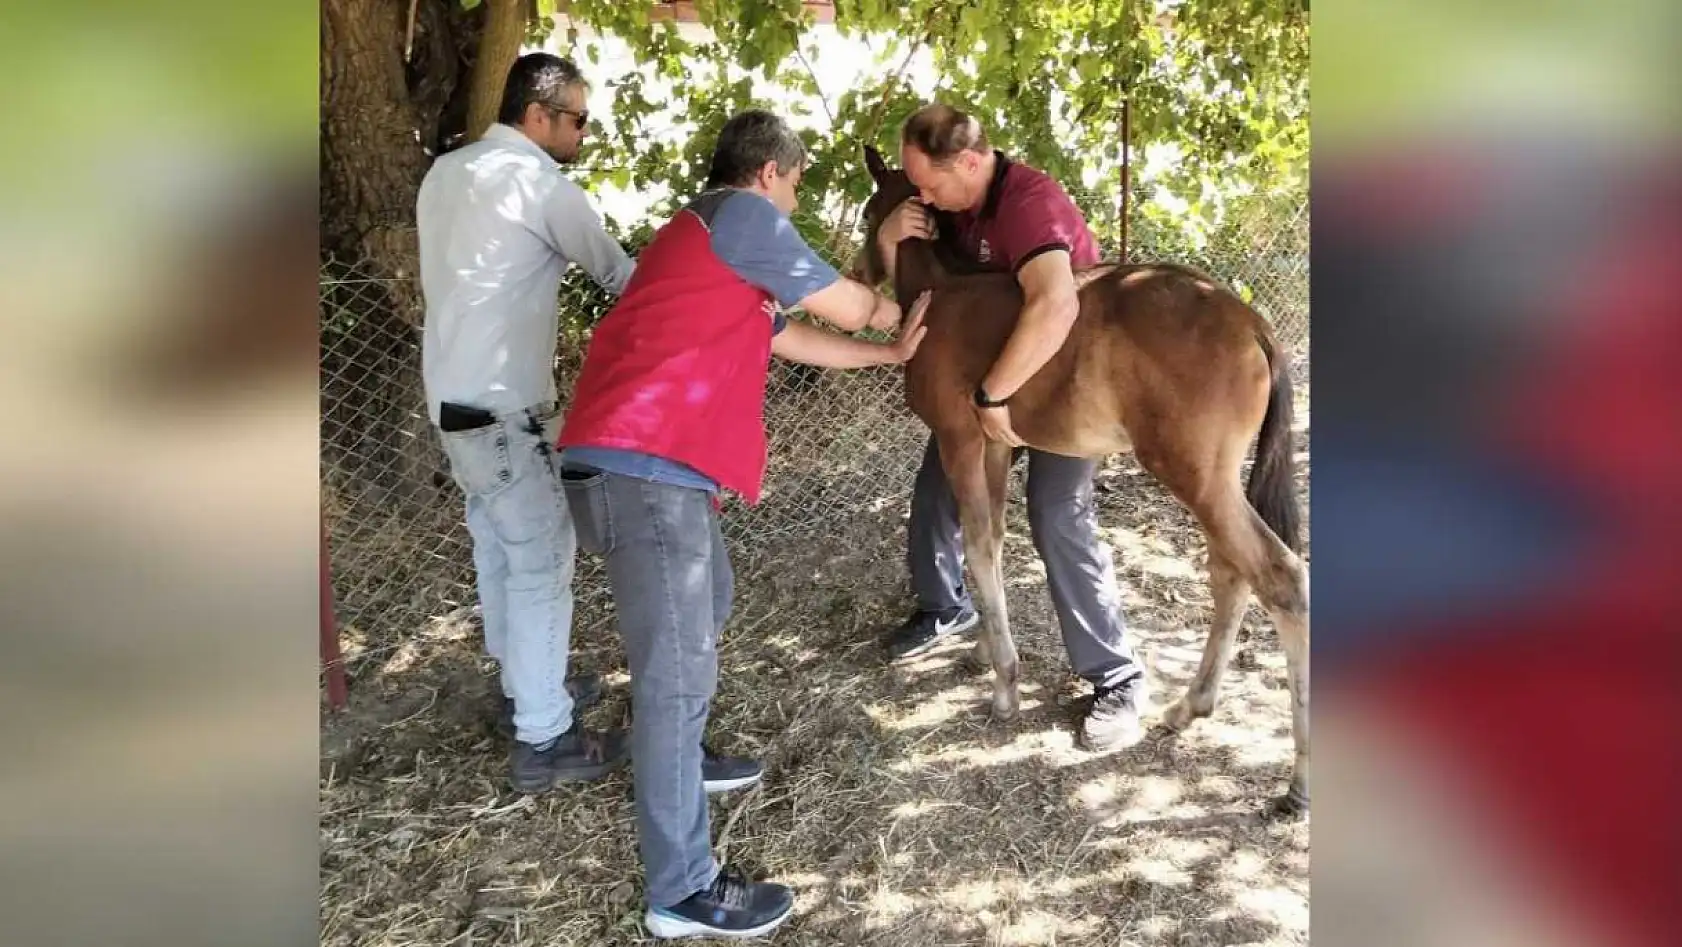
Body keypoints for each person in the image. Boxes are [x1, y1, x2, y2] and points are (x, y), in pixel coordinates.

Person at [555, 109, 930, 939]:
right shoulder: (744, 217)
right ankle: (683, 890)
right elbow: (837, 300)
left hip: (637, 464)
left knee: (707, 602)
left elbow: (791, 335)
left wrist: (888, 358)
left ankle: (681, 759)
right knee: (676, 674)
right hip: (644, 467)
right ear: (770, 172)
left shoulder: (704, 242)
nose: (794, 201)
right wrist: (890, 309)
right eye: (796, 184)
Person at [873, 103, 1150, 750]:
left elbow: (1056, 303)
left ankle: (1116, 675)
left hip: (1064, 378)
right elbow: (902, 294)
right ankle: (945, 606)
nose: (924, 196)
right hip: (986, 369)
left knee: (1057, 508)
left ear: (970, 162)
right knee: (939, 482)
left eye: (931, 183)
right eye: (915, 185)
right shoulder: (947, 202)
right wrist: (892, 233)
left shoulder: (1029, 202)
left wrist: (995, 395)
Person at [416, 53, 632, 792]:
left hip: (452, 400)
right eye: (577, 118)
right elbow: (622, 277)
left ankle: (527, 691)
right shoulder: (539, 184)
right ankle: (545, 737)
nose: (583, 132)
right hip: (508, 407)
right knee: (542, 560)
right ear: (536, 115)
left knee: (500, 549)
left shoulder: (447, 174)